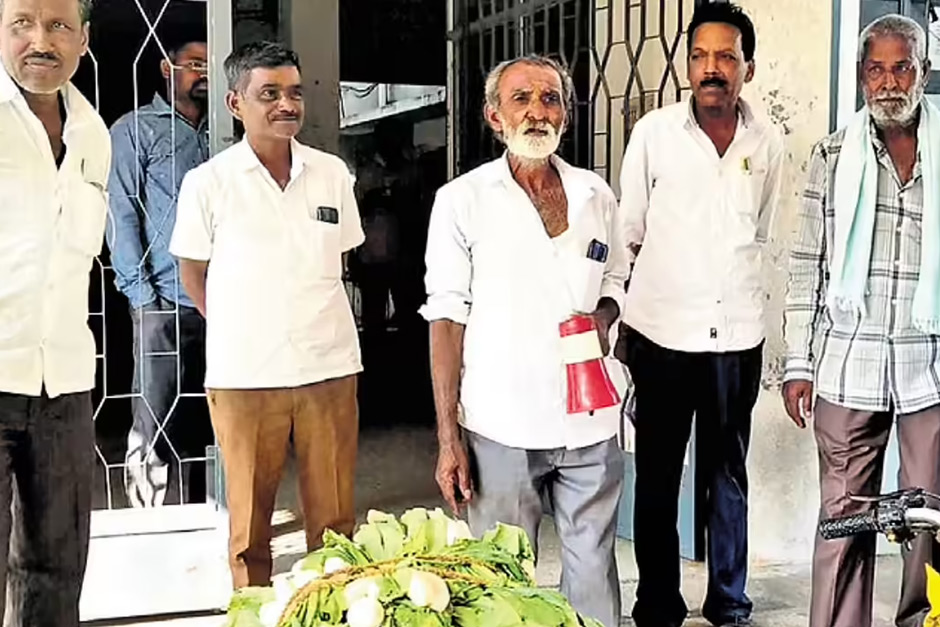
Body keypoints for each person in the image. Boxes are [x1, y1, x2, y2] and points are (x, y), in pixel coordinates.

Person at [422, 54, 628, 627]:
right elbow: (446, 318)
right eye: (522, 100)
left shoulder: (595, 194)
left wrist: (603, 318)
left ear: (566, 113)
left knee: (592, 571)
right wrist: (448, 438)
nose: (538, 112)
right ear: (494, 116)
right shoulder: (462, 200)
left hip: (589, 416)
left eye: (550, 99)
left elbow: (615, 280)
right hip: (501, 424)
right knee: (503, 582)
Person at [169, 41, 364, 588]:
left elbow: (342, 256)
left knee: (334, 526)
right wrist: (235, 326)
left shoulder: (331, 175)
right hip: (245, 376)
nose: (286, 105)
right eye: (269, 94)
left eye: (295, 93)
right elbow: (193, 273)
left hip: (328, 368)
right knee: (250, 531)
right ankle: (250, 614)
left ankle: (330, 615)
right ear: (235, 103)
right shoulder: (208, 183)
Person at [617, 3, 784, 626]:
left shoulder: (768, 140)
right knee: (659, 479)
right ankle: (657, 603)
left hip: (736, 337)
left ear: (747, 67)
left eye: (726, 57)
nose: (711, 68)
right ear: (687, 64)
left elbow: (761, 231)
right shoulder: (654, 135)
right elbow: (627, 229)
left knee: (728, 475)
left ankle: (729, 601)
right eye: (700, 56)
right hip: (662, 335)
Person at [783, 14, 940, 627]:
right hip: (849, 364)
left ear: (922, 74)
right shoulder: (831, 156)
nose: (889, 81)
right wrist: (799, 363)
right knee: (843, 520)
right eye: (876, 69)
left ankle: (922, 622)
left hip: (930, 366)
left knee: (930, 518)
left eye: (902, 67)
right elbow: (805, 266)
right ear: (859, 77)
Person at [0, 0, 110, 624]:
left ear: (84, 39)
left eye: (59, 26)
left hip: (64, 384)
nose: (40, 41)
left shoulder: (93, 134)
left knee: (57, 573)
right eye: (22, 23)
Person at [107, 36, 211, 508]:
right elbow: (120, 213)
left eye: (211, 65)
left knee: (213, 421)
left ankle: (210, 512)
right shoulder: (135, 130)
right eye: (194, 64)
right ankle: (147, 521)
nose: (203, 72)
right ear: (167, 70)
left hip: (222, 304)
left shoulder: (227, 135)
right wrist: (143, 297)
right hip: (164, 301)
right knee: (154, 421)